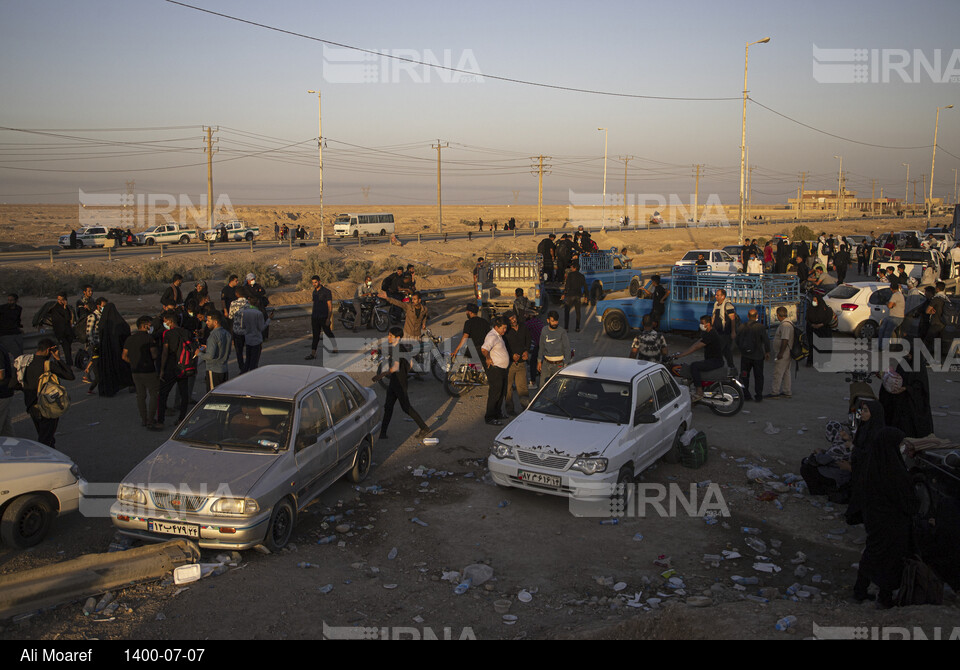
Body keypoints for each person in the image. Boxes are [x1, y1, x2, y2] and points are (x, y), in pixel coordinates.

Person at [849, 418, 916, 608]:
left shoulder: (873, 465)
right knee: (892, 560)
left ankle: (860, 591)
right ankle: (885, 598)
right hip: (893, 523)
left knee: (871, 554)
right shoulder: (895, 471)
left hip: (875, 520)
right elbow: (908, 502)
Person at [373, 327, 431, 440]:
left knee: (406, 407)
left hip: (399, 383)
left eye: (391, 336)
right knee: (388, 407)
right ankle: (383, 433)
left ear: (398, 338)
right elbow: (410, 363)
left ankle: (424, 428)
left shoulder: (397, 349)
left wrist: (381, 375)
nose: (388, 337)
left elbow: (395, 367)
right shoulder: (401, 347)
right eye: (388, 335)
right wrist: (404, 373)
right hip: (396, 381)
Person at [22, 338, 75, 447]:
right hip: (47, 405)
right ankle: (47, 459)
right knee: (46, 439)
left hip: (32, 406)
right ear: (48, 351)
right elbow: (70, 376)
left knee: (43, 435)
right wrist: (58, 359)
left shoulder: (25, 363)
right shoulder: (47, 365)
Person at [879, 354, 934, 439]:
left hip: (912, 404)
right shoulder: (903, 362)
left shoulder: (919, 366)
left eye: (910, 354)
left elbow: (921, 386)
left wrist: (906, 388)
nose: (908, 356)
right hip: (900, 401)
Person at [123, 316, 163, 430]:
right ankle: (151, 419)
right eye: (149, 325)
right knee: (154, 395)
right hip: (148, 370)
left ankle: (144, 419)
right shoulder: (149, 339)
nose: (150, 327)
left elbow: (124, 356)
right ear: (144, 325)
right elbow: (154, 354)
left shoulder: (130, 339)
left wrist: (133, 362)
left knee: (140, 396)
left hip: (135, 371)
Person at [675, 315, 724, 402]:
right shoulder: (707, 333)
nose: (701, 325)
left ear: (708, 324)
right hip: (711, 360)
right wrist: (682, 352)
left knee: (694, 366)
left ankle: (699, 392)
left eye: (702, 323)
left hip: (715, 361)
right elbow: (696, 343)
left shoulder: (711, 334)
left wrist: (681, 356)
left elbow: (696, 347)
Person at [157, 310, 192, 425]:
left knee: (163, 394)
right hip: (184, 366)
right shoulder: (186, 332)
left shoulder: (168, 334)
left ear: (170, 322)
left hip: (171, 367)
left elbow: (165, 353)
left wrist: (161, 369)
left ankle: (160, 421)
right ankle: (182, 418)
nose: (165, 323)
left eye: (165, 322)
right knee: (184, 393)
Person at [96, 302, 133, 398]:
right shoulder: (120, 323)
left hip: (106, 352)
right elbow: (126, 333)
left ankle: (107, 389)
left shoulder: (102, 323)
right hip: (118, 350)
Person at [735, 308, 770, 402]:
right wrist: (767, 352)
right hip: (757, 357)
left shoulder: (742, 326)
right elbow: (766, 341)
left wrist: (741, 350)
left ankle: (746, 395)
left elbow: (737, 340)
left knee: (744, 375)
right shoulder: (760, 327)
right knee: (758, 376)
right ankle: (758, 396)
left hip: (745, 357)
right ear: (757, 316)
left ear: (748, 316)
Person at [481, 317, 510, 426]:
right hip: (495, 370)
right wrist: (488, 358)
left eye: (506, 328)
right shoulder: (492, 336)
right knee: (495, 394)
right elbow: (484, 349)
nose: (505, 330)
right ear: (496, 327)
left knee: (501, 392)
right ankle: (489, 417)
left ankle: (498, 413)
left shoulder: (499, 335)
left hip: (502, 369)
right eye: (503, 328)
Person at [503, 312, 531, 416]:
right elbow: (503, 347)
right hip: (510, 364)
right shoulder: (506, 332)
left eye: (514, 318)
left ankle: (525, 409)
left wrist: (526, 351)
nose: (513, 320)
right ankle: (510, 410)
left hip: (521, 363)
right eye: (510, 319)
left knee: (522, 387)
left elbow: (528, 340)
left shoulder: (523, 327)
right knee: (508, 388)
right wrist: (511, 355)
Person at [306, 275, 337, 359]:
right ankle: (313, 353)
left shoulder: (327, 292)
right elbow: (314, 304)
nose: (314, 284)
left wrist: (328, 318)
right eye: (312, 283)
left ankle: (335, 348)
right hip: (315, 317)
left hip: (323, 316)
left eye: (315, 282)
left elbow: (330, 306)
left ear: (319, 282)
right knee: (315, 335)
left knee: (328, 332)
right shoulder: (314, 292)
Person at [199, 311, 231, 391]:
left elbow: (210, 356)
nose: (206, 322)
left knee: (213, 396)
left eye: (208, 320)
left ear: (215, 322)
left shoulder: (213, 336)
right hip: (224, 369)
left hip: (214, 370)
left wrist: (199, 353)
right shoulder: (227, 333)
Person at [537, 311, 570, 384]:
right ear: (548, 320)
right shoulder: (544, 330)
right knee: (542, 387)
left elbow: (567, 348)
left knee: (557, 388)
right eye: (552, 321)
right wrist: (539, 361)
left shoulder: (562, 332)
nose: (555, 323)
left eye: (556, 321)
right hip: (546, 363)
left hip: (559, 365)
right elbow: (541, 346)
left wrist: (566, 364)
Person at [238, 299, 267, 373]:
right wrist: (268, 320)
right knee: (254, 361)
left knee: (248, 360)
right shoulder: (258, 313)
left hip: (248, 339)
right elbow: (261, 328)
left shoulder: (244, 312)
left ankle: (244, 373)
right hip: (256, 340)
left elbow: (242, 326)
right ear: (257, 302)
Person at [711, 288, 737, 368]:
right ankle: (731, 367)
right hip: (718, 332)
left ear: (723, 296)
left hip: (725, 333)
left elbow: (732, 319)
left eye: (718, 295)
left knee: (717, 352)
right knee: (727, 352)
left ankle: (718, 368)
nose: (716, 296)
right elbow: (714, 317)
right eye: (716, 295)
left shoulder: (728, 305)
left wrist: (733, 332)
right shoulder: (716, 305)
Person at [805, 295, 833, 368]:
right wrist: (812, 325)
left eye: (815, 300)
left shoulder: (826, 309)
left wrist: (821, 324)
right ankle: (810, 361)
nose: (814, 302)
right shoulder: (810, 309)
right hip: (812, 330)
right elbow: (807, 318)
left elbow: (828, 318)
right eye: (813, 300)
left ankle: (821, 362)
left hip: (823, 330)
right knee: (812, 346)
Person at [49, 292, 75, 366]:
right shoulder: (55, 309)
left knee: (68, 348)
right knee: (66, 348)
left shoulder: (67, 308)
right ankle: (68, 364)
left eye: (62, 299)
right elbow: (64, 319)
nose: (60, 301)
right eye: (58, 299)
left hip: (67, 332)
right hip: (61, 332)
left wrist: (65, 308)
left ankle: (68, 363)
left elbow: (69, 318)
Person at [561, 261, 588, 332]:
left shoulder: (570, 275)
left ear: (575, 268)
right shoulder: (582, 276)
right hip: (578, 296)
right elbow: (585, 286)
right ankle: (577, 328)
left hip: (570, 295)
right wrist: (586, 297)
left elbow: (567, 285)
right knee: (578, 312)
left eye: (572, 267)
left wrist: (564, 294)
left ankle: (566, 328)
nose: (571, 268)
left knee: (567, 312)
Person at [877, 284, 905, 350]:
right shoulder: (900, 294)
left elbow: (889, 306)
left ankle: (883, 347)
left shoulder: (895, 295)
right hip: (894, 316)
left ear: (891, 289)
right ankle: (881, 346)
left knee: (886, 332)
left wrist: (888, 303)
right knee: (883, 330)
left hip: (895, 317)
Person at [0, 342, 16, 436]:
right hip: (5, 392)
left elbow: (1, 375)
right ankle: (12, 447)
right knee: (6, 426)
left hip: (2, 393)